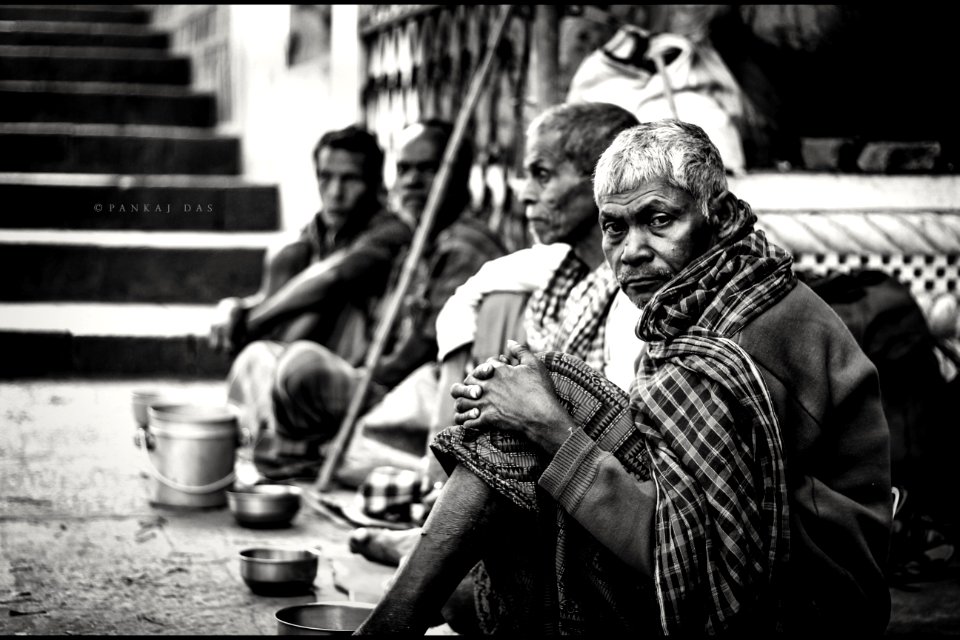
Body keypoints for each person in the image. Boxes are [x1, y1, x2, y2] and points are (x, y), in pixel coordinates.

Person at [355, 120, 892, 636]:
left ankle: (395, 624)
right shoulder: (716, 292)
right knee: (524, 408)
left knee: (548, 394)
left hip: (804, 605)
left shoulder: (734, 341)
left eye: (660, 220)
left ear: (720, 217)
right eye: (616, 226)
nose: (632, 251)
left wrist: (551, 427)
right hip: (766, 574)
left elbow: (687, 559)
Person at [349, 101, 644, 567]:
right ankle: (435, 526)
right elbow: (478, 287)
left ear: (599, 182)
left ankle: (432, 546)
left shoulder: (634, 289)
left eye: (542, 175)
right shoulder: (563, 267)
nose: (525, 193)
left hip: (601, 484)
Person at [267, 119, 505, 478]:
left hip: (412, 391)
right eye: (405, 169)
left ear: (458, 175)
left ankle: (326, 448)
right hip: (384, 382)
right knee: (275, 361)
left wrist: (368, 379)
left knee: (301, 368)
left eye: (427, 170)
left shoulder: (464, 248)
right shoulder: (420, 240)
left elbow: (426, 347)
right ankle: (313, 448)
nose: (411, 181)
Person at [211, 127, 412, 471]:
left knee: (294, 355)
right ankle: (278, 441)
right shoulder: (317, 231)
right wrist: (234, 308)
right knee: (255, 356)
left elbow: (332, 277)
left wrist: (253, 319)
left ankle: (296, 445)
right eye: (326, 177)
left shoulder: (391, 231)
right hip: (302, 377)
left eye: (350, 180)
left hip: (353, 381)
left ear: (376, 182)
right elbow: (275, 295)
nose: (335, 192)